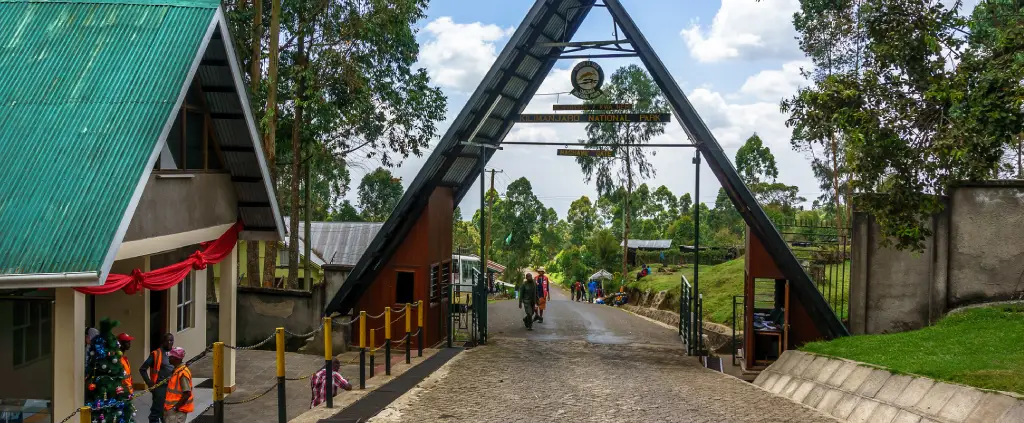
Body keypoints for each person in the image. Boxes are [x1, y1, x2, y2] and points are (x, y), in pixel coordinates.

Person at [140, 333, 175, 423]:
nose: (170, 342)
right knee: (156, 412)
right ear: (163, 342)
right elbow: (142, 369)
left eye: (172, 340)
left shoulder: (174, 353)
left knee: (167, 412)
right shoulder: (156, 354)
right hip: (160, 387)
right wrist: (149, 382)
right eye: (168, 340)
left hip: (172, 387)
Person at [163, 347, 192, 423]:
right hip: (171, 409)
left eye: (170, 357)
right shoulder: (177, 370)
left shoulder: (182, 373)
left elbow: (187, 393)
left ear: (176, 359)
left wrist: (175, 408)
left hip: (176, 412)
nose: (168, 358)